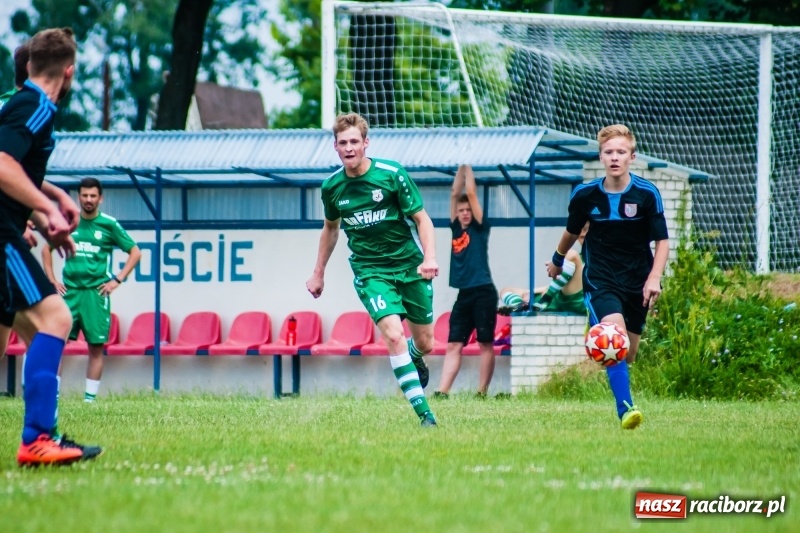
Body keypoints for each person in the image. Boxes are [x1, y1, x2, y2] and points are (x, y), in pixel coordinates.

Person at [0, 27, 102, 466]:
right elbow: (2, 164)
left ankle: (45, 432)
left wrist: (50, 205)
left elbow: (14, 167)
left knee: (15, 333)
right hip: (1, 234)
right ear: (69, 70)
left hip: (9, 224)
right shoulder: (38, 105)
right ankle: (38, 439)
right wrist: (50, 208)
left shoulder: (20, 103)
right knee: (55, 317)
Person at [306, 112, 439, 427]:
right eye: (343, 143)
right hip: (370, 271)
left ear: (366, 143)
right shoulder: (332, 188)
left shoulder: (392, 175)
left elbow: (422, 219)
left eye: (354, 141)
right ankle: (426, 417)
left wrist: (429, 257)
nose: (349, 148)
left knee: (426, 343)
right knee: (393, 335)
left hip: (409, 266)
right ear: (336, 148)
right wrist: (318, 272)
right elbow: (331, 229)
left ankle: (414, 354)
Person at [546, 124, 669, 430]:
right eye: (609, 152)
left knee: (628, 353)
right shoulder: (585, 195)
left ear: (632, 156)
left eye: (621, 152)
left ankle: (618, 379)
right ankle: (626, 409)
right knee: (615, 339)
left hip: (638, 282)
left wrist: (654, 278)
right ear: (601, 156)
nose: (615, 157)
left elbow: (662, 242)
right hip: (601, 279)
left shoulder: (647, 194)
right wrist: (557, 260)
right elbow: (572, 232)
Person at [42, 177, 141, 402]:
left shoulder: (109, 224)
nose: (88, 199)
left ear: (100, 198)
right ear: (79, 197)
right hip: (70, 293)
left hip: (96, 294)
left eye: (93, 196)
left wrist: (117, 279)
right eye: (85, 195)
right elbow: (46, 250)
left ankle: (89, 400)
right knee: (57, 344)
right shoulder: (69, 222)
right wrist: (53, 280)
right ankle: (52, 396)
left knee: (96, 347)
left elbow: (135, 252)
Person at [435, 164, 497, 398]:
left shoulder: (480, 228)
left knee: (484, 343)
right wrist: (459, 168)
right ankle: (442, 391)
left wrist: (467, 165)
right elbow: (455, 194)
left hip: (483, 292)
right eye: (461, 210)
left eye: (468, 210)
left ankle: (481, 392)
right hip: (464, 294)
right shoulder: (455, 229)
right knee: (454, 344)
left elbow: (470, 193)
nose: (464, 213)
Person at [498, 222, 589, 316]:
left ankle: (544, 300)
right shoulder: (580, 256)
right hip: (558, 299)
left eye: (586, 229)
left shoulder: (594, 258)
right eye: (580, 229)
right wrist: (532, 291)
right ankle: (521, 306)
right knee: (506, 291)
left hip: (582, 300)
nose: (582, 233)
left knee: (570, 254)